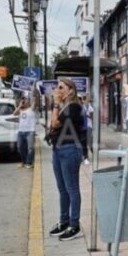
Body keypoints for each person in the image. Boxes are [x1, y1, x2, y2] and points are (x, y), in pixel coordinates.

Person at [47, 78, 86, 241]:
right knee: (62, 189)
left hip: (70, 150)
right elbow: (52, 124)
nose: (58, 90)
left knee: (72, 189)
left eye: (61, 87)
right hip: (58, 149)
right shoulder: (64, 107)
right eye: (57, 87)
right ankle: (64, 221)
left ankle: (74, 224)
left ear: (71, 90)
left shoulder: (74, 107)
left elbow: (55, 123)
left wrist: (55, 104)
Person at [14, 96, 37, 169]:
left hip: (30, 131)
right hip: (21, 131)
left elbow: (35, 100)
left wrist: (34, 93)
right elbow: (14, 113)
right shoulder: (20, 110)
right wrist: (20, 105)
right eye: (22, 100)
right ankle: (24, 161)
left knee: (30, 148)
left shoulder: (32, 109)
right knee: (20, 147)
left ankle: (29, 162)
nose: (24, 101)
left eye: (25, 100)